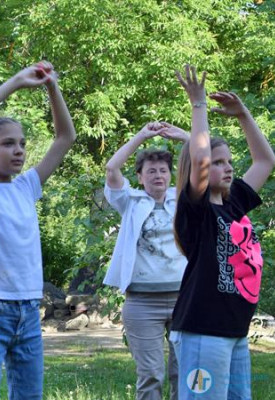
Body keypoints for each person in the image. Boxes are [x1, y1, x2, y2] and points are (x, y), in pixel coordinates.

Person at [0, 61, 76, 400]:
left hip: (28, 310)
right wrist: (16, 82)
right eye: (8, 144)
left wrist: (52, 86)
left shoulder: (27, 187)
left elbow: (66, 137)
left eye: (22, 144)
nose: (20, 151)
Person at [169, 65, 275, 399]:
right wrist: (198, 104)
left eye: (228, 161)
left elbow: (264, 162)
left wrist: (243, 114)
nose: (227, 167)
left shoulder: (233, 206)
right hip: (203, 331)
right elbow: (198, 159)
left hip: (234, 331)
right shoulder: (197, 209)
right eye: (218, 162)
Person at [104, 122, 190, 400]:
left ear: (170, 175)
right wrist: (142, 135)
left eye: (163, 170)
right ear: (140, 177)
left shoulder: (185, 199)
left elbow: (208, 163)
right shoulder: (130, 201)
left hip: (185, 299)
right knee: (151, 374)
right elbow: (112, 168)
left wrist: (186, 137)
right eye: (150, 171)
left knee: (185, 372)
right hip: (142, 302)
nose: (157, 175)